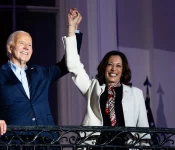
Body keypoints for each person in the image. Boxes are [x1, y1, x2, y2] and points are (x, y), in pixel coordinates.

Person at [0, 8, 82, 142]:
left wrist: (72, 29)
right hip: (15, 140)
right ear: (10, 48)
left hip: (46, 140)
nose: (27, 47)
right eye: (22, 43)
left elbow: (67, 64)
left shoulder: (40, 72)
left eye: (30, 45)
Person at [63, 9, 150, 149]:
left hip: (126, 147)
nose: (113, 69)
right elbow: (74, 66)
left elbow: (144, 132)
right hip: (97, 146)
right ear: (104, 68)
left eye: (118, 66)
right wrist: (72, 29)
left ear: (123, 71)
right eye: (110, 64)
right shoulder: (93, 88)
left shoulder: (136, 93)